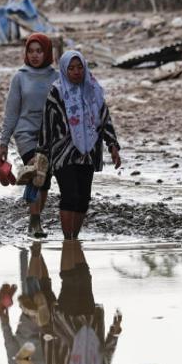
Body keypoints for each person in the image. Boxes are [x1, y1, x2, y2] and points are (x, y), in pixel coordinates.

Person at [40, 50, 120, 240]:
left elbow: (103, 118)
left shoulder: (92, 89)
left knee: (84, 199)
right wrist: (41, 153)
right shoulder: (57, 91)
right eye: (71, 68)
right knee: (70, 196)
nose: (76, 72)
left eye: (79, 68)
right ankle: (68, 241)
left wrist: (112, 145)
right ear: (64, 70)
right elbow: (47, 123)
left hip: (89, 152)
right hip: (63, 153)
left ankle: (74, 239)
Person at [0, 33, 58, 239]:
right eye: (31, 51)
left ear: (47, 52)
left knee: (45, 179)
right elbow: (12, 112)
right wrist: (3, 142)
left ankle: (35, 216)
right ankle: (35, 222)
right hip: (25, 134)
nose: (34, 56)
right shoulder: (20, 77)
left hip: (49, 135)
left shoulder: (56, 77)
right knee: (36, 169)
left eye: (39, 51)